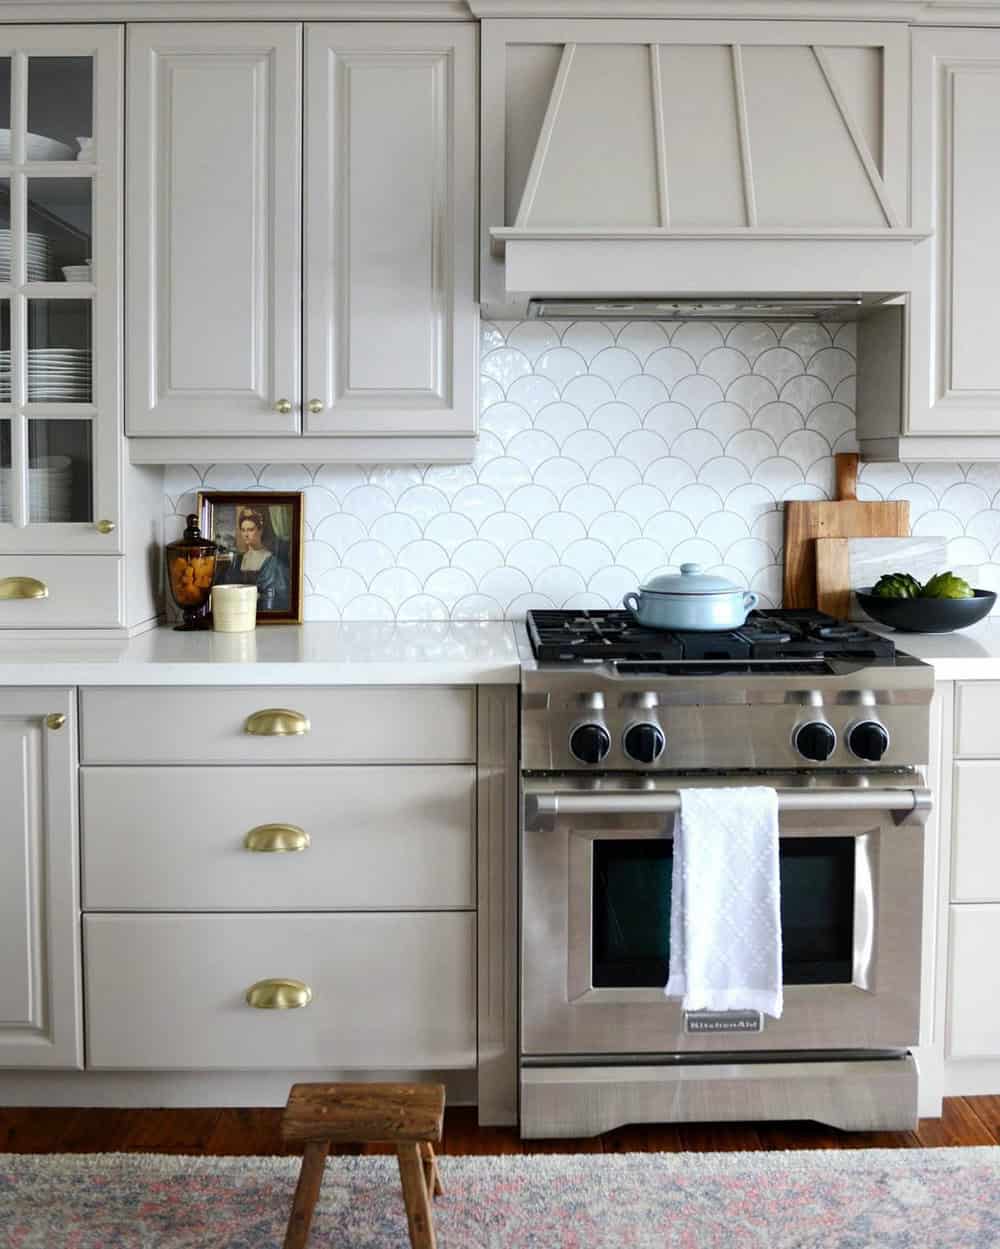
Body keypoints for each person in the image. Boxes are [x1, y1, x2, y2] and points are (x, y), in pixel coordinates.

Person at [219, 507, 290, 612]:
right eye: (243, 530)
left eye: (250, 530)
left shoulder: (273, 563)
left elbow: (277, 599)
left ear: (260, 530)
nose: (246, 534)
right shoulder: (238, 559)